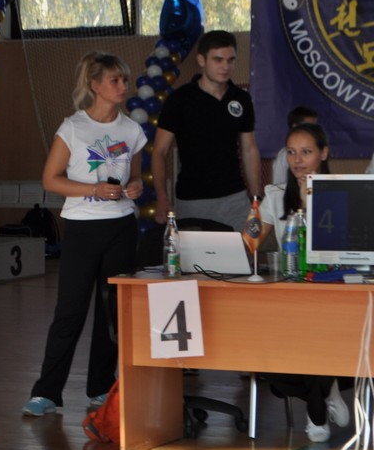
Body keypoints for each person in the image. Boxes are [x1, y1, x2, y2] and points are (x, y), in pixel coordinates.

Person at [23, 51, 145, 417]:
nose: (122, 86)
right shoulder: (73, 128)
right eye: (114, 80)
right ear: (95, 85)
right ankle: (46, 392)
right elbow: (51, 180)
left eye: (125, 80)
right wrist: (93, 190)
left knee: (111, 312)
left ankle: (101, 387)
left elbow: (136, 176)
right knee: (70, 310)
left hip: (121, 227)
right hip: (81, 228)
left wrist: (136, 186)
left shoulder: (131, 130)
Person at [255, 121, 350, 442]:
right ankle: (328, 389)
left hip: (335, 295)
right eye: (292, 153)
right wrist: (252, 223)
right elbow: (250, 242)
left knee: (320, 335)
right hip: (289, 297)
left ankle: (316, 413)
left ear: (323, 153)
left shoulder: (344, 192)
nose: (298, 160)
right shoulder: (276, 194)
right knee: (269, 359)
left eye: (306, 152)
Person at [151, 30, 262, 231]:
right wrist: (162, 197)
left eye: (230, 60)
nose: (225, 66)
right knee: (195, 254)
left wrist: (257, 197)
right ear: (201, 60)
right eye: (218, 60)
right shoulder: (179, 100)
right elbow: (159, 151)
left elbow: (249, 150)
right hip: (193, 200)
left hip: (235, 198)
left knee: (243, 251)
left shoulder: (241, 99)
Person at [269, 106, 318, 187]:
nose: (313, 131)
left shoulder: (318, 151)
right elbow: (279, 187)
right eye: (309, 127)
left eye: (315, 127)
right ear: (295, 127)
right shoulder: (284, 155)